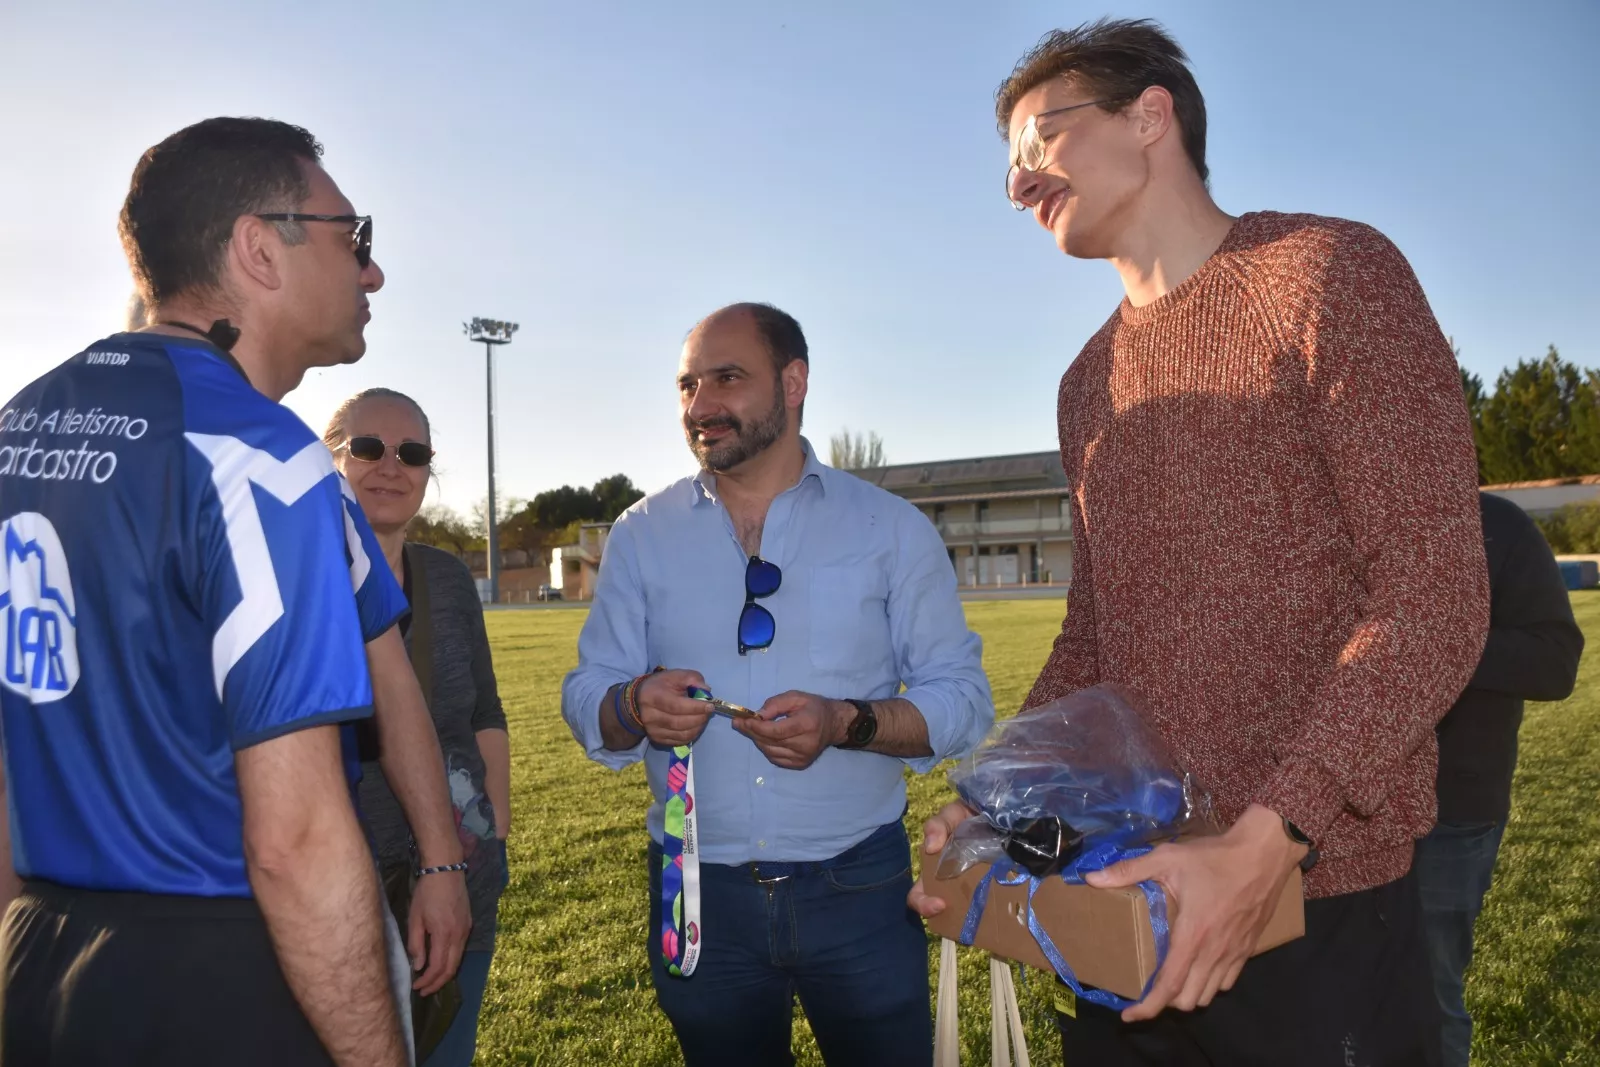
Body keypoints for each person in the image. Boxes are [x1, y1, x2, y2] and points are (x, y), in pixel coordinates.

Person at [910, 19, 1490, 1067]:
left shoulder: (1328, 274)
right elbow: (1095, 641)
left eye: (1039, 139)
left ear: (1148, 116)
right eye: (1004, 165)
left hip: (1319, 906)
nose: (1014, 184)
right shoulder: (1086, 381)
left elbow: (1434, 593)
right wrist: (989, 801)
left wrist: (1268, 838)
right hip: (1125, 898)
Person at [0, 117, 466, 1067]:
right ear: (260, 248)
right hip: (219, 972)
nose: (371, 272)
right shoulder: (265, 459)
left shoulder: (17, 428)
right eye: (353, 236)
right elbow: (293, 842)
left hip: (37, 962)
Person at [561, 302, 993, 1067]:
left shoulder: (890, 528)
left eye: (727, 378)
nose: (700, 406)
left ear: (793, 382)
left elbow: (961, 699)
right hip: (697, 888)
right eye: (687, 384)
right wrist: (631, 704)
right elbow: (586, 687)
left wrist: (845, 721)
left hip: (857, 883)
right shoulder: (640, 532)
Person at [325, 388, 512, 1067]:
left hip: (463, 884)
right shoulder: (299, 577)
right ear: (330, 458)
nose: (390, 466)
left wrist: (490, 830)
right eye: (367, 448)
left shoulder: (448, 576)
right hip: (348, 896)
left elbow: (484, 711)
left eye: (413, 452)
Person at [1417, 492, 1581, 1066]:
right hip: (1339, 806)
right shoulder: (1337, 514)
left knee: (1430, 995)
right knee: (1335, 984)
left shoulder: (1499, 526)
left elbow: (1556, 662)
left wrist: (1436, 643)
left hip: (1451, 810)